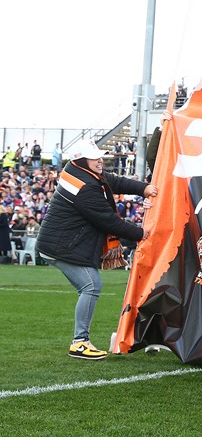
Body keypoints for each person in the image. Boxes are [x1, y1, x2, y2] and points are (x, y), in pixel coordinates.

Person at [35, 140, 157, 360]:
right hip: (60, 246)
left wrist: (143, 189)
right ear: (83, 160)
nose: (100, 161)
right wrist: (141, 234)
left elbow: (113, 181)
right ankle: (79, 343)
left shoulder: (80, 173)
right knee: (91, 285)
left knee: (90, 285)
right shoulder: (86, 186)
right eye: (95, 158)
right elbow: (107, 220)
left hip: (60, 243)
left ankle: (80, 341)